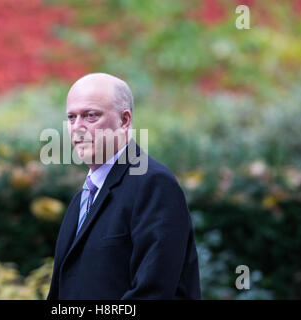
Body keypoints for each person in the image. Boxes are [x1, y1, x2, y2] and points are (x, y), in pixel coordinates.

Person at [47, 73, 201, 299]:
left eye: (91, 116)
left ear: (124, 120)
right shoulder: (81, 200)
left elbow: (153, 293)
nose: (77, 128)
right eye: (71, 117)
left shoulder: (154, 185)